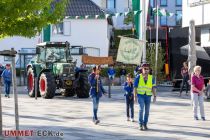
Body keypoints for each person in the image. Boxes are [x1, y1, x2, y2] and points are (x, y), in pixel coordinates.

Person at [134, 63, 156, 130]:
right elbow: (135, 87)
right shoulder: (138, 77)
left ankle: (145, 124)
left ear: (149, 70)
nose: (146, 70)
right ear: (142, 69)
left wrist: (155, 96)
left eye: (147, 69)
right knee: (141, 109)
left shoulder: (152, 77)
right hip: (140, 95)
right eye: (144, 69)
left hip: (148, 96)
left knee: (147, 111)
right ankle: (140, 124)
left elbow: (153, 88)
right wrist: (135, 96)